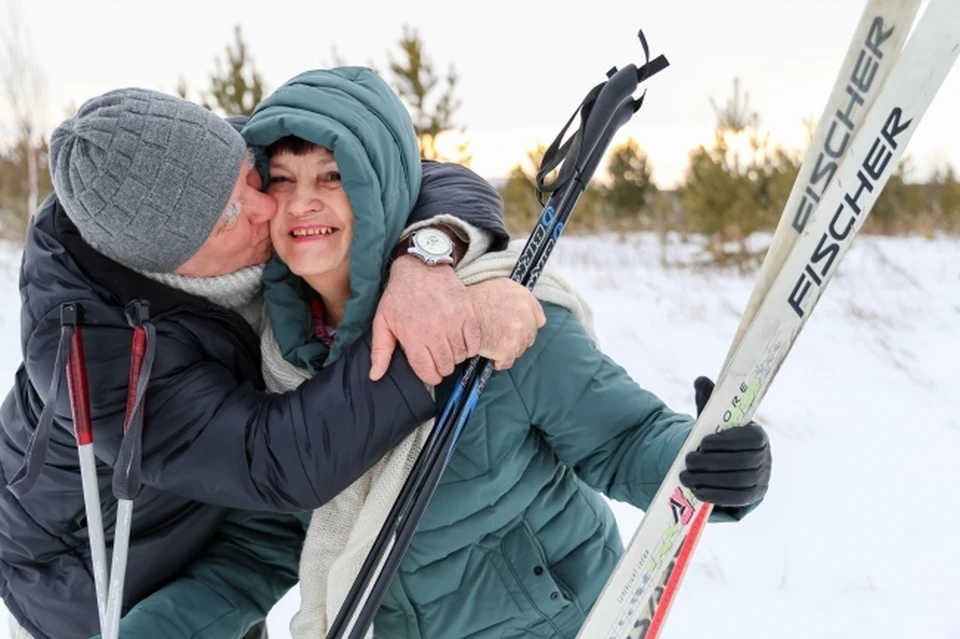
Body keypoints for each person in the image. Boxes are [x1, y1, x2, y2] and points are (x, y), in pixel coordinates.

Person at [238, 67, 772, 638]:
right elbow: (257, 540)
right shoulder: (276, 362)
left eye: (332, 177)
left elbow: (625, 440)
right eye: (282, 181)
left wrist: (708, 465)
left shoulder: (496, 315)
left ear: (379, 187)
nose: (301, 204)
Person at [0, 87, 547, 639]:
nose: (269, 206)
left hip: (216, 531)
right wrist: (444, 334)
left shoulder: (198, 163)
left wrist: (425, 259)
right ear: (174, 263)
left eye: (249, 176)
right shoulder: (99, 360)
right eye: (232, 215)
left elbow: (408, 171)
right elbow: (278, 459)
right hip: (89, 576)